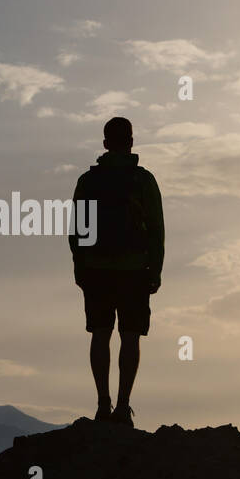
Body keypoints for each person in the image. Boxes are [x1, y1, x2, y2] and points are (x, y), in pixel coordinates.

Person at [69, 117, 164, 427]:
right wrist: (155, 269)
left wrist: (80, 265)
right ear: (132, 142)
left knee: (100, 334)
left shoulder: (88, 181)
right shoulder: (143, 181)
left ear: (106, 143)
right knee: (130, 336)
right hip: (135, 269)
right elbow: (156, 230)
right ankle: (123, 407)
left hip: (96, 268)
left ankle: (102, 404)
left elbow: (78, 229)